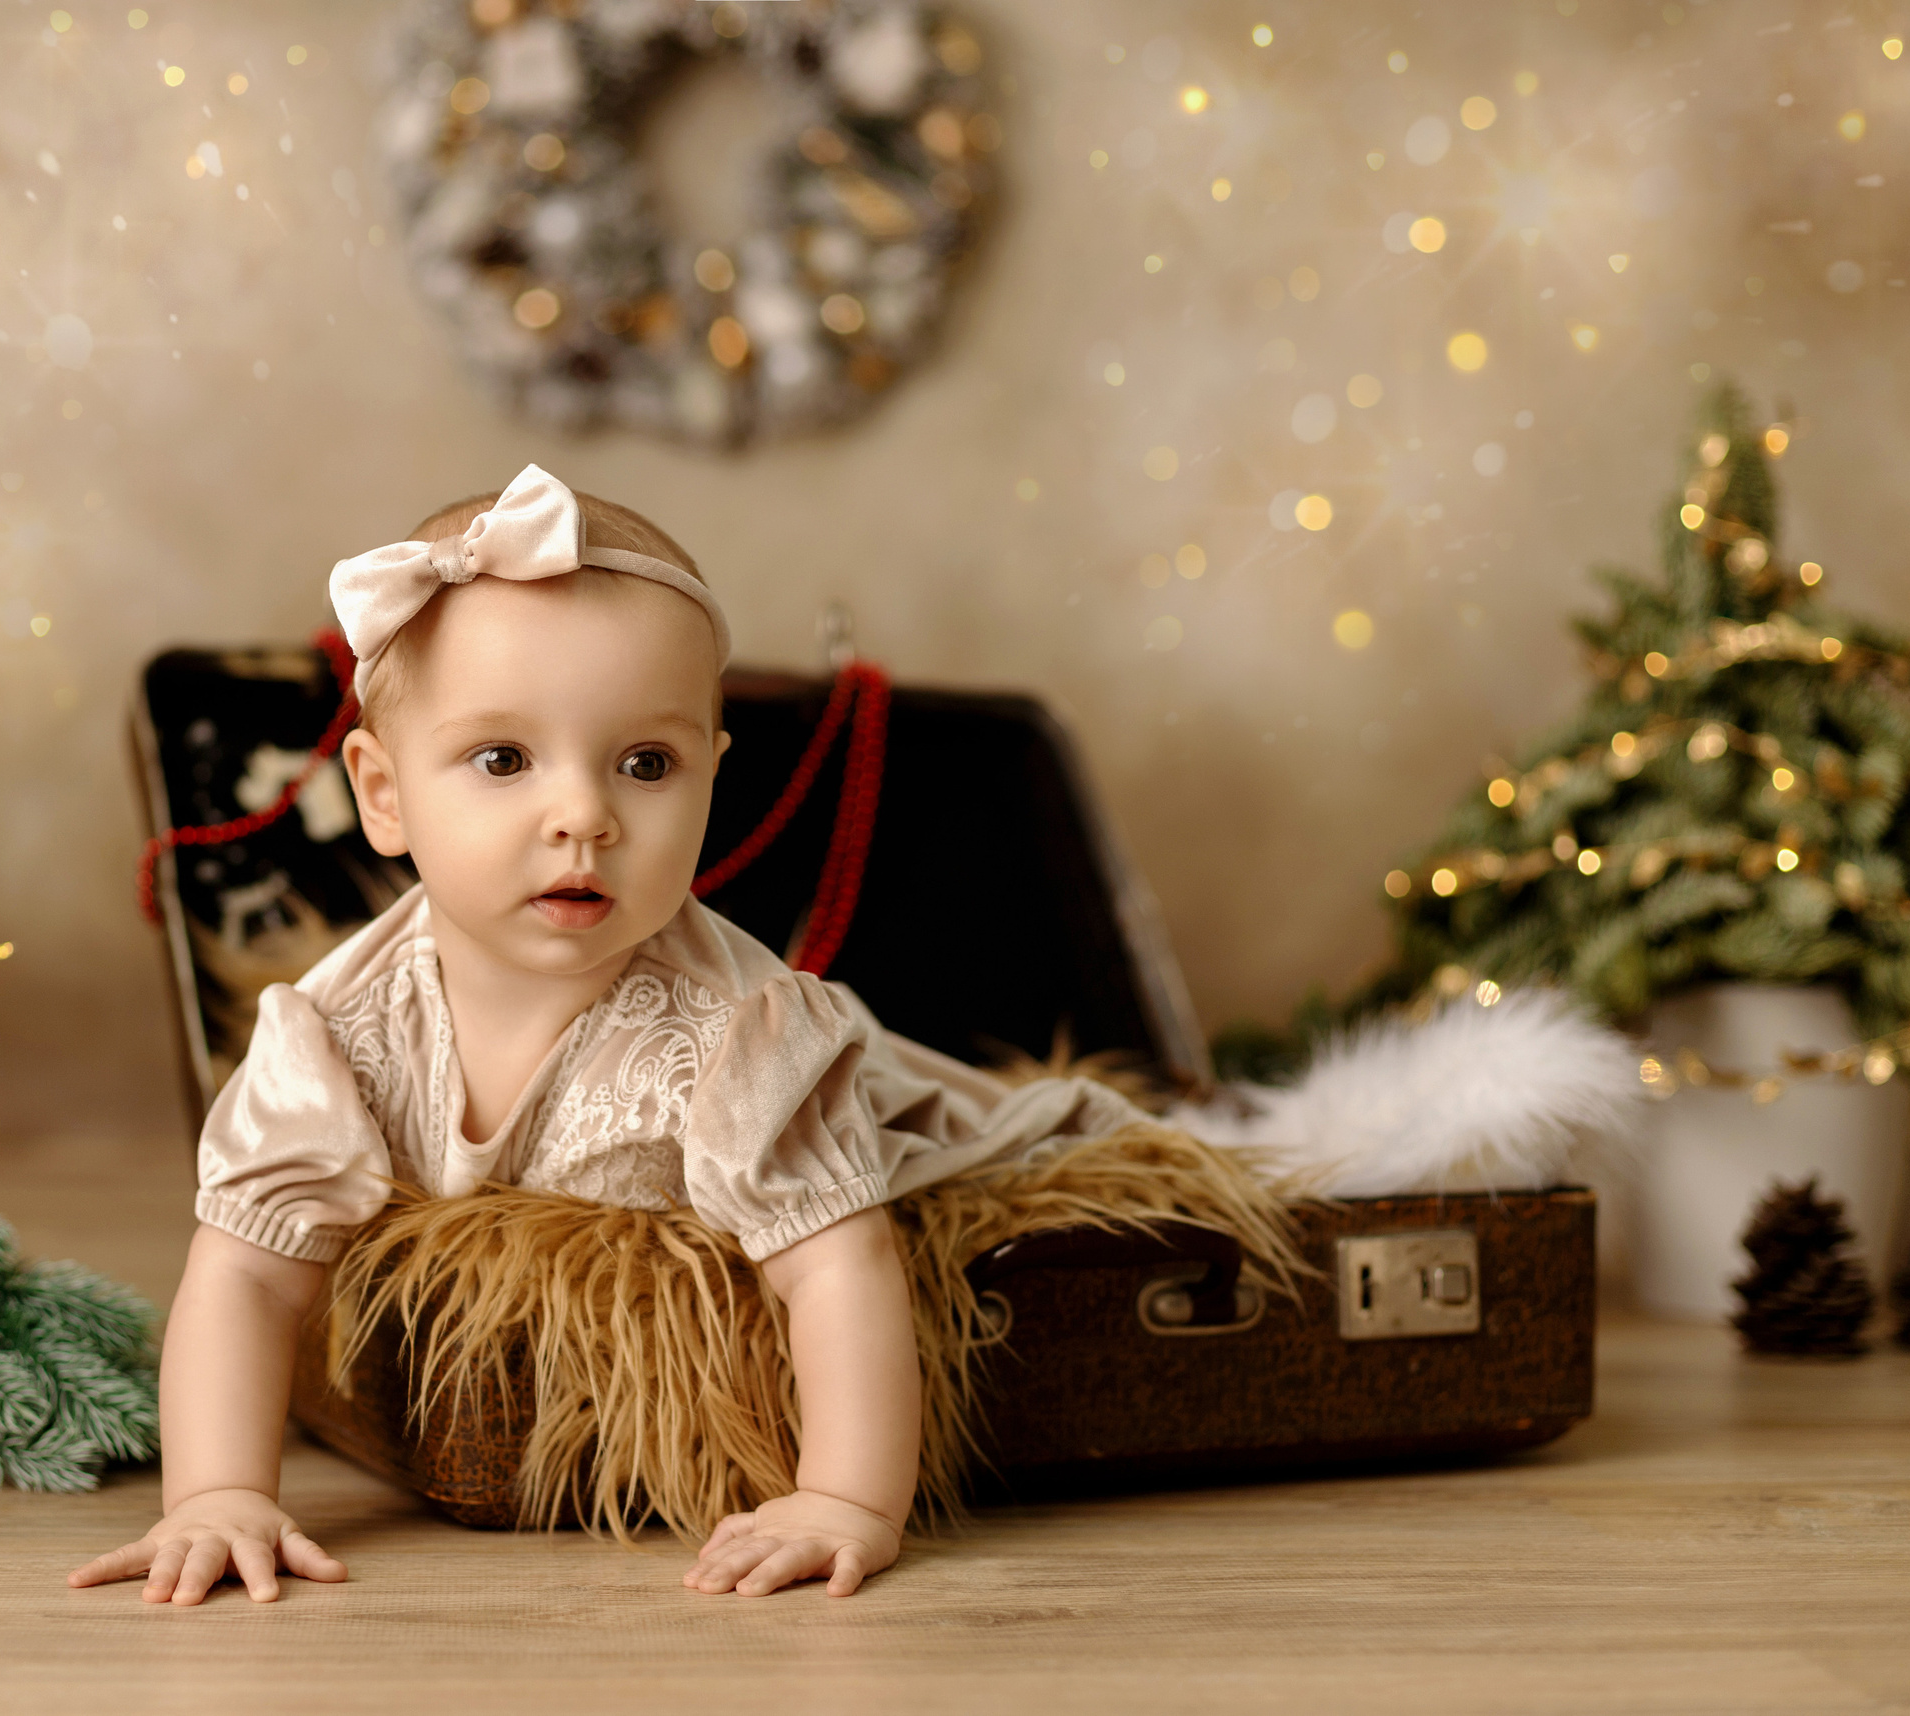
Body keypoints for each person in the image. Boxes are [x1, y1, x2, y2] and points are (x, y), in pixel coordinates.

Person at [69, 464, 1264, 1606]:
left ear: (709, 779)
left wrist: (845, 1500)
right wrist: (218, 1494)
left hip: (892, 1126)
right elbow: (244, 1277)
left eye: (646, 763)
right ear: (382, 795)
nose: (582, 815)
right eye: (502, 759)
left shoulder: (739, 1036)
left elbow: (836, 1268)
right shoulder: (333, 1032)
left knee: (1036, 1138)